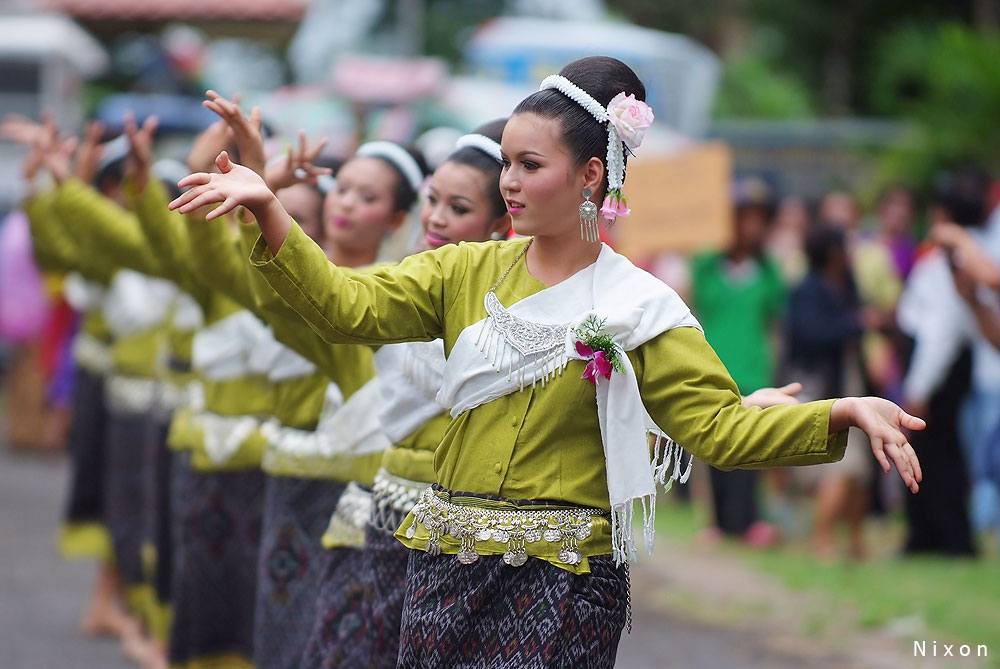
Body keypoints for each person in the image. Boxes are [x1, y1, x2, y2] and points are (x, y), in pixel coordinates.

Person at [172, 56, 923, 667]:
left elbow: (718, 429)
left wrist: (842, 411)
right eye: (506, 163)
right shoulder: (463, 271)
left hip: (561, 590)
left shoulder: (639, 306)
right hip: (441, 570)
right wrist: (267, 208)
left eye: (530, 164)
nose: (509, 181)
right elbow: (345, 307)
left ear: (591, 175)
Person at [690, 176, 785, 548]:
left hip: (753, 370)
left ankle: (751, 521)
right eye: (745, 217)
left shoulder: (768, 272)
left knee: (751, 447)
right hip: (714, 369)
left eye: (759, 218)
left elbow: (776, 315)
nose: (752, 226)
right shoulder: (708, 267)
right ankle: (717, 521)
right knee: (715, 446)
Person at [785, 224, 875, 559]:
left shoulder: (846, 285)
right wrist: (856, 324)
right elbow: (809, 336)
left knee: (860, 470)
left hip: (851, 384)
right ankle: (821, 539)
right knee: (843, 467)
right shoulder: (807, 291)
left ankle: (856, 540)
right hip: (820, 388)